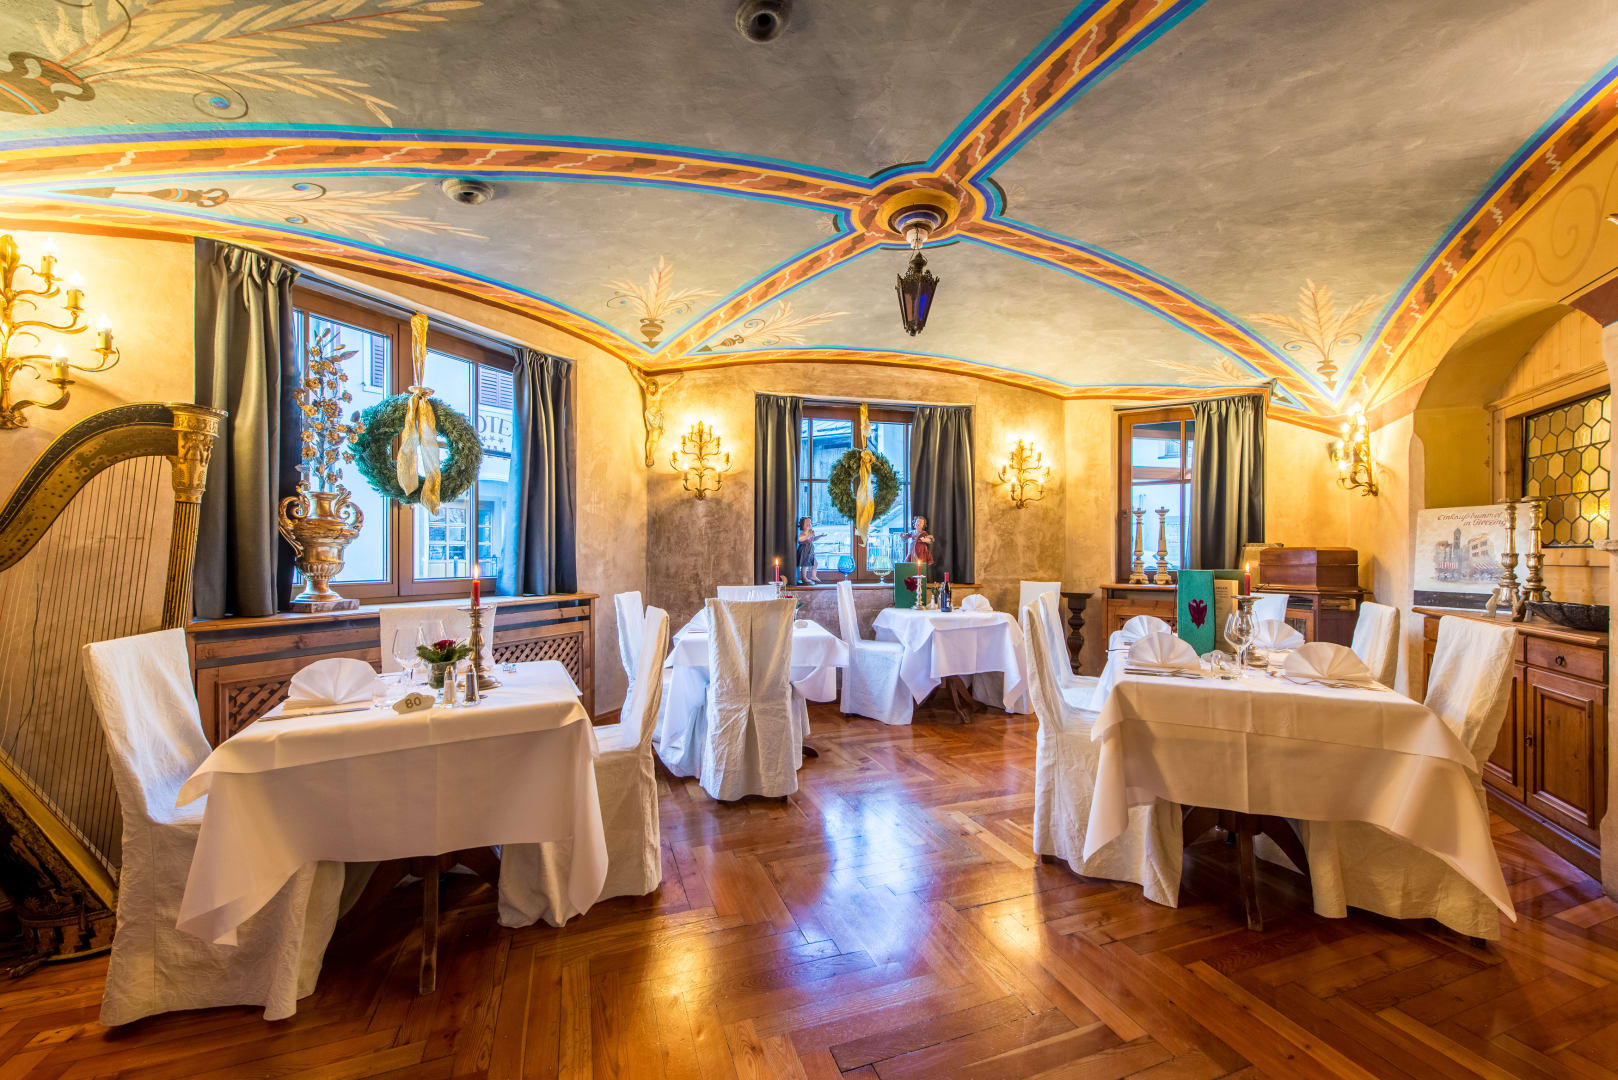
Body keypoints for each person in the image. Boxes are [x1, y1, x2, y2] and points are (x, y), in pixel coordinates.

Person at [796, 517, 820, 584]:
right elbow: (800, 539)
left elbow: (813, 539)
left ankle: (813, 576)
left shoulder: (810, 532)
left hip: (810, 549)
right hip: (804, 550)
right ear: (802, 525)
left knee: (815, 563)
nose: (809, 524)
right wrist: (808, 536)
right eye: (807, 523)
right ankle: (804, 577)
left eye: (810, 523)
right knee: (805, 564)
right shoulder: (803, 533)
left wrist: (820, 536)